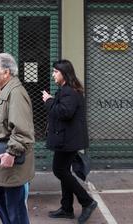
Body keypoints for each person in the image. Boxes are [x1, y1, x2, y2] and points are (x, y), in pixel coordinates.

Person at [42, 59, 97, 224]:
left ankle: (87, 201)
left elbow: (65, 112)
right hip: (66, 139)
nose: (53, 75)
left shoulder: (70, 91)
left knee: (59, 170)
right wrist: (53, 99)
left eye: (55, 72)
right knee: (64, 171)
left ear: (64, 74)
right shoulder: (67, 90)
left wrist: (49, 101)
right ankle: (66, 208)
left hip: (68, 140)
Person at [0, 53, 35, 224]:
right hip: (3, 166)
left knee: (16, 212)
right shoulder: (6, 91)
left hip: (12, 166)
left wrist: (11, 153)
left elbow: (23, 131)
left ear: (6, 72)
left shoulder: (16, 94)